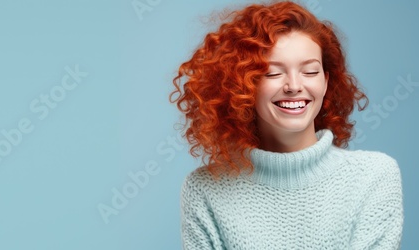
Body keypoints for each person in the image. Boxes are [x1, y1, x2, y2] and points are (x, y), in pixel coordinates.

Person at [169, 1, 404, 249]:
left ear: (325, 82)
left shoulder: (374, 177)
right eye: (272, 73)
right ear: (243, 86)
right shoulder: (204, 190)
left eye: (310, 72)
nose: (294, 86)